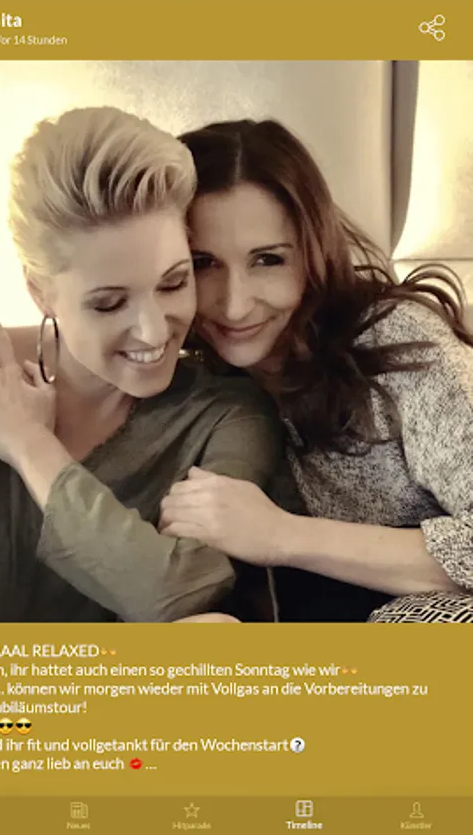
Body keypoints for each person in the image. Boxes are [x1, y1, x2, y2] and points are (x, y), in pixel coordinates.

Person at [0, 107, 281, 623]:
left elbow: (178, 596)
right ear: (40, 292)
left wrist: (29, 445)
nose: (155, 332)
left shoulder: (227, 416)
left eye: (174, 283)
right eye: (109, 304)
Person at [158, 118, 473, 622]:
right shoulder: (192, 380)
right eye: (203, 263)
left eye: (268, 260)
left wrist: (281, 535)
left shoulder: (397, 342)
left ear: (313, 253)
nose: (235, 305)